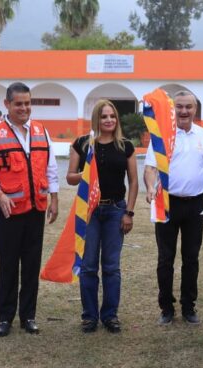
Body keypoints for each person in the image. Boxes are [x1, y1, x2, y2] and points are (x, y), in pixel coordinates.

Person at [0, 82, 59, 337]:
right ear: (7, 104)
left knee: (32, 265)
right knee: (8, 265)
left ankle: (29, 316)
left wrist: (54, 198)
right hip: (9, 211)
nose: (24, 108)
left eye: (27, 103)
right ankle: (5, 317)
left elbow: (51, 167)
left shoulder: (41, 131)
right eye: (18, 104)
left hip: (36, 209)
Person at [143, 90, 203, 325]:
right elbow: (150, 168)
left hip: (195, 205)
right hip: (167, 203)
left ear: (195, 109)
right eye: (180, 107)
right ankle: (166, 308)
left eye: (188, 107)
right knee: (165, 259)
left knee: (191, 258)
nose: (184, 111)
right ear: (173, 109)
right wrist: (150, 187)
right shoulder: (161, 135)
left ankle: (188, 306)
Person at [66, 99, 138, 333]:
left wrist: (129, 212)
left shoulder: (125, 145)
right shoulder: (82, 144)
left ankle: (110, 315)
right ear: (96, 119)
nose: (109, 120)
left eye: (112, 116)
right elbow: (70, 177)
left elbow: (133, 182)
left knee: (111, 266)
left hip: (116, 210)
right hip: (89, 212)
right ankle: (89, 316)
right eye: (104, 116)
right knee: (88, 266)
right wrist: (86, 172)